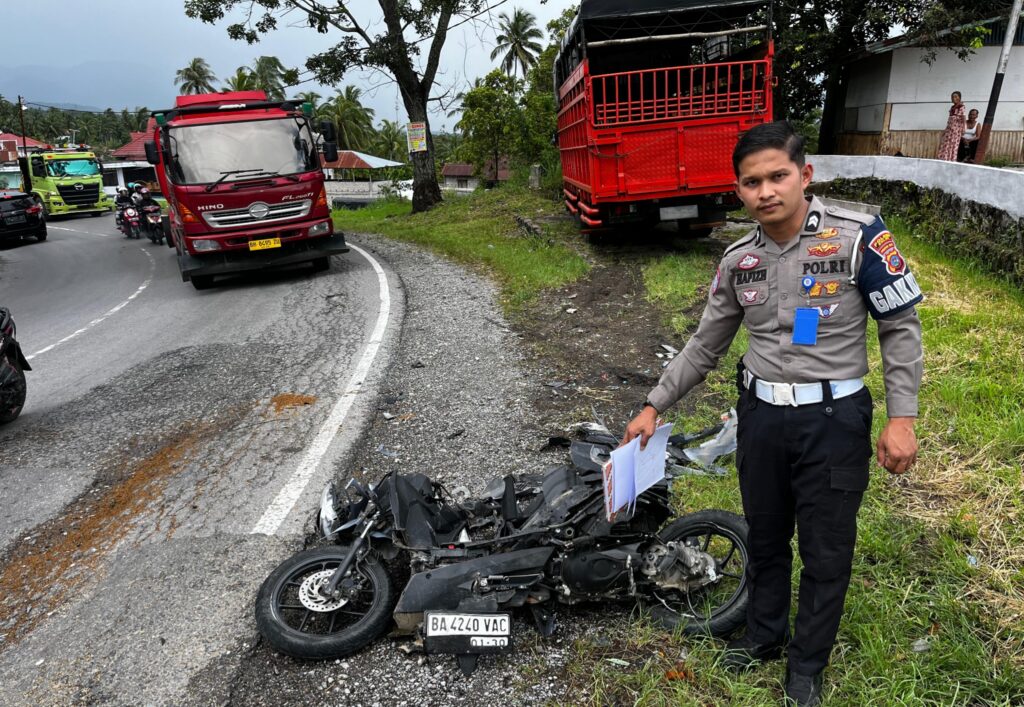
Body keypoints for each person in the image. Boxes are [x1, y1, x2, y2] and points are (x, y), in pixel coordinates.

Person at [624, 121, 923, 707]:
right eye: (751, 182)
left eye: (777, 176)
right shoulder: (739, 259)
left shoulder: (858, 237)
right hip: (760, 418)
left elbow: (899, 326)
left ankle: (806, 664)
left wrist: (902, 417)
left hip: (834, 420)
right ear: (738, 189)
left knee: (825, 547)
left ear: (804, 175)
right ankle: (764, 635)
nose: (765, 191)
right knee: (765, 536)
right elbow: (705, 345)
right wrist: (654, 404)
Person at [937, 91, 965, 161]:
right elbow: (950, 119)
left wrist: (964, 128)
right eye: (952, 97)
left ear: (959, 98)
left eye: (955, 97)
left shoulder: (961, 106)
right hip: (949, 128)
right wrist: (946, 129)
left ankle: (951, 159)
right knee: (946, 143)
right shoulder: (952, 107)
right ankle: (944, 158)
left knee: (953, 144)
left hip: (956, 129)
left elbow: (963, 117)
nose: (953, 98)